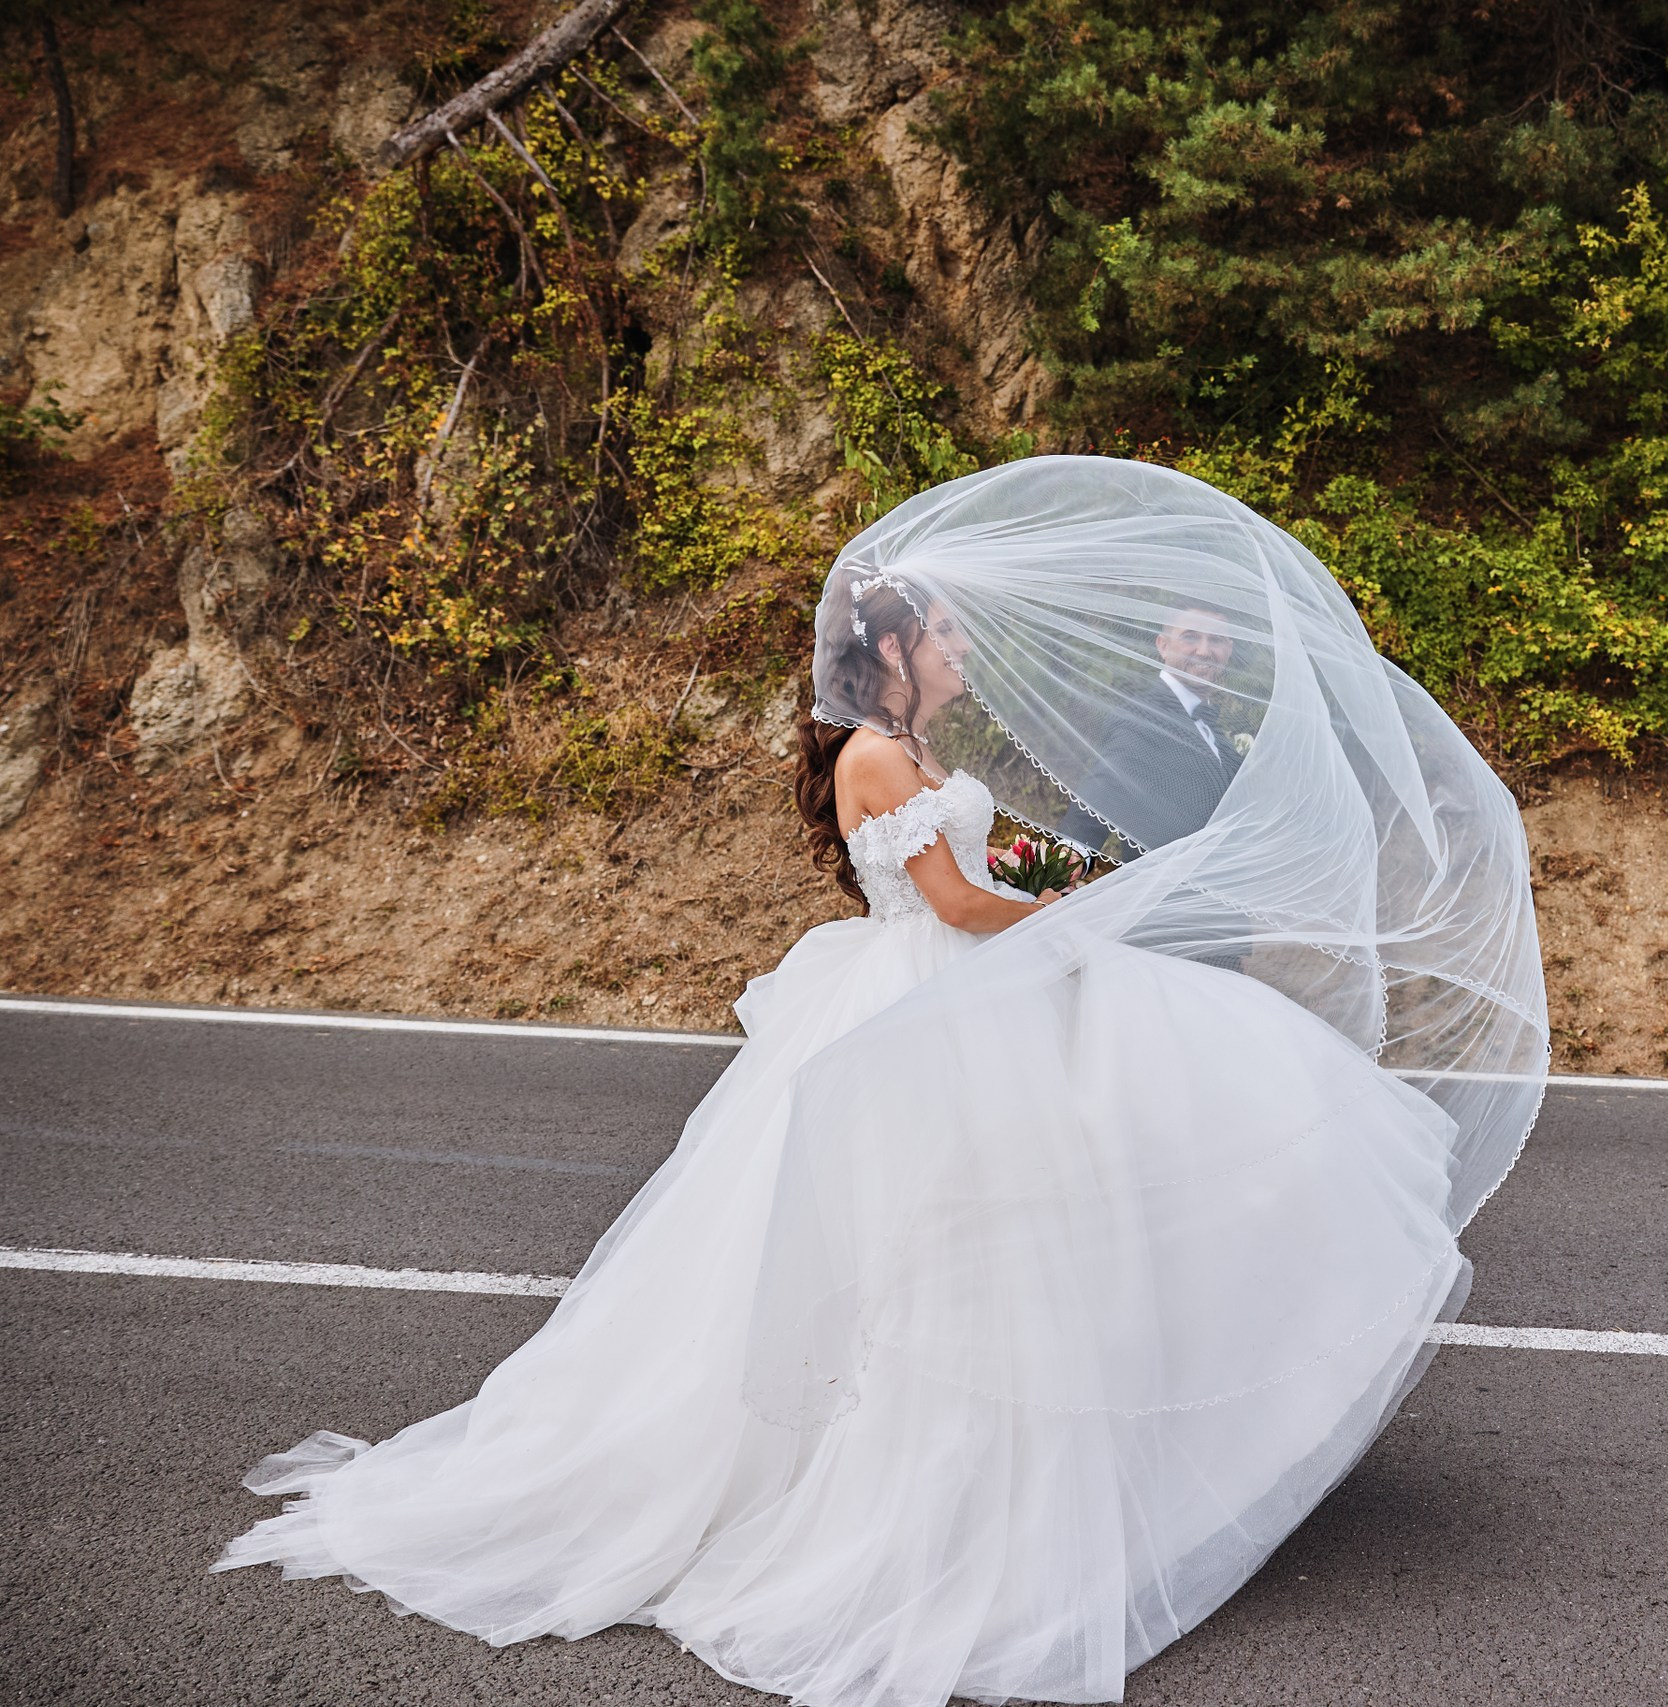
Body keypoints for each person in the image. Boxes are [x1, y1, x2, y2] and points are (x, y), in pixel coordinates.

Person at [216, 457, 1548, 1707]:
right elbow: (959, 905)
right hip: (923, 1000)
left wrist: (1083, 881)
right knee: (932, 1250)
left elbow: (998, 865)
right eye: (951, 637)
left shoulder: (913, 756)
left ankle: (1020, 1481)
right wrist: (1085, 925)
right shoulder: (870, 752)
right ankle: (914, 1498)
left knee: (1009, 1239)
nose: (966, 653)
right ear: (895, 652)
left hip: (951, 991)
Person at [1058, 602, 1244, 855]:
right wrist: (1060, 870)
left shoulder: (1213, 727)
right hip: (1167, 890)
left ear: (1229, 649)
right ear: (1163, 645)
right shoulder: (1141, 719)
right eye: (1190, 637)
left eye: (1216, 640)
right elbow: (1092, 808)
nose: (1203, 651)